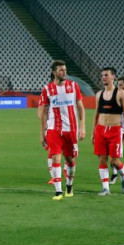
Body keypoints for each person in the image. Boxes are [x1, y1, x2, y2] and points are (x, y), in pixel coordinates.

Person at [38, 60, 85, 200]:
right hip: (54, 128)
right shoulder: (47, 89)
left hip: (71, 129)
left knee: (69, 160)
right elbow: (44, 112)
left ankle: (69, 186)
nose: (64, 72)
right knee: (55, 157)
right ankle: (58, 191)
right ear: (54, 72)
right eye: (61, 70)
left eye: (65, 69)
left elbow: (80, 107)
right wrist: (42, 132)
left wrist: (82, 127)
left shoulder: (73, 86)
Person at [93, 67, 124, 195]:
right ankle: (106, 188)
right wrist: (93, 133)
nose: (103, 77)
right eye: (102, 75)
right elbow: (96, 114)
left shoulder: (121, 94)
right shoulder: (99, 94)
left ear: (113, 77)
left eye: (106, 75)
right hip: (100, 129)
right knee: (102, 159)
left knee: (114, 161)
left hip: (115, 130)